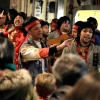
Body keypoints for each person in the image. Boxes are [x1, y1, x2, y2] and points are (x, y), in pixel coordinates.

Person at [19, 16, 71, 85]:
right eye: (36, 29)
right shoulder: (25, 48)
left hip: (44, 86)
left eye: (40, 27)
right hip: (31, 87)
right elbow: (39, 53)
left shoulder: (43, 44)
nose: (40, 30)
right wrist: (58, 47)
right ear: (29, 32)